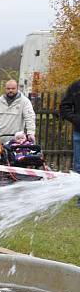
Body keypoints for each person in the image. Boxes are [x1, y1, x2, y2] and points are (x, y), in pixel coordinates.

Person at [0, 80, 36, 184]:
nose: (10, 91)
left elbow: (30, 117)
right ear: (5, 89)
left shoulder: (24, 102)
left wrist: (30, 133)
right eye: (8, 88)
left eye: (13, 88)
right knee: (0, 167)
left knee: (17, 167)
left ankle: (17, 186)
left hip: (16, 142)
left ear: (17, 88)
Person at [59, 78, 80, 206]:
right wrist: (76, 119)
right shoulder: (75, 86)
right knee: (79, 167)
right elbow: (64, 107)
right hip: (79, 133)